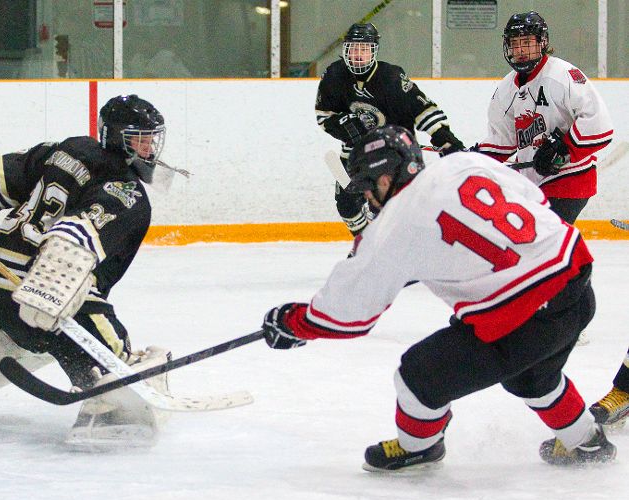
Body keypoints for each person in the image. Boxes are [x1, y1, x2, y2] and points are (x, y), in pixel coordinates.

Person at [261, 125, 615, 471]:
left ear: (384, 180)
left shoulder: (393, 227)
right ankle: (588, 441)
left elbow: (349, 313)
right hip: (577, 284)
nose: (369, 198)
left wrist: (293, 322)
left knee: (418, 377)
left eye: (369, 188)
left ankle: (419, 446)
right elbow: (534, 200)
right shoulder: (462, 163)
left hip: (525, 317)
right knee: (533, 377)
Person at [0, 95, 174, 448]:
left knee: (27, 333)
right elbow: (76, 236)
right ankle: (112, 401)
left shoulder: (67, 150)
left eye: (152, 139)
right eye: (140, 139)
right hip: (47, 286)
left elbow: (2, 176)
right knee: (85, 324)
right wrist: (50, 286)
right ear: (118, 137)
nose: (149, 149)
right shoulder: (127, 192)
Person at [315, 22, 464, 236]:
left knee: (393, 207)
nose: (358, 55)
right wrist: (344, 126)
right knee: (347, 206)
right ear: (346, 49)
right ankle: (364, 244)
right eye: (354, 49)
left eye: (364, 49)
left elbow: (421, 109)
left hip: (395, 154)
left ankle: (399, 246)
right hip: (356, 154)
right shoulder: (334, 75)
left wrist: (443, 137)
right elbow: (324, 115)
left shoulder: (390, 78)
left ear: (373, 51)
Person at [475, 11, 612, 226]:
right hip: (531, 183)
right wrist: (476, 157)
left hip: (569, 178)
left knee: (540, 239)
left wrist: (563, 150)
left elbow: (599, 124)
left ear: (542, 43)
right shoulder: (505, 89)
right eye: (515, 43)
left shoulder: (563, 75)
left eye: (527, 42)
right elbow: (502, 140)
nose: (520, 50)